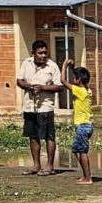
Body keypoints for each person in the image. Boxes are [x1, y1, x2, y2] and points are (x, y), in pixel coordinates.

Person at [16, 40, 64, 176]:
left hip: (45, 107)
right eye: (40, 53)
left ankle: (49, 166)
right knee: (33, 136)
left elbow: (59, 86)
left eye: (45, 52)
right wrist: (29, 87)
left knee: (49, 136)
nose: (43, 55)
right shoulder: (26, 63)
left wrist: (43, 88)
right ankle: (36, 165)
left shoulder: (52, 66)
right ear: (33, 54)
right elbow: (19, 81)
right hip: (30, 106)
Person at [62, 59, 94, 185]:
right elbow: (77, 78)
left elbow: (63, 81)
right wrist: (73, 67)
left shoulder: (79, 91)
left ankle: (88, 178)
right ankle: (86, 174)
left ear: (78, 80)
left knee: (82, 151)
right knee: (76, 150)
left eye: (75, 77)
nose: (73, 79)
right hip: (87, 125)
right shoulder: (87, 90)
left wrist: (64, 65)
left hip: (83, 126)